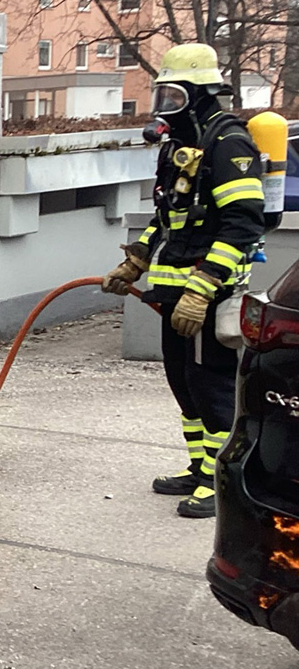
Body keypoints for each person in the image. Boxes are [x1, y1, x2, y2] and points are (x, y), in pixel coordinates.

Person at [101, 44, 265, 518]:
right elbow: (167, 216)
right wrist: (137, 259)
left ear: (201, 93)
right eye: (162, 95)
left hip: (207, 295)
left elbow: (243, 222)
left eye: (174, 95)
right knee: (182, 382)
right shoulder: (178, 146)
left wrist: (204, 285)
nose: (164, 106)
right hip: (174, 293)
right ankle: (199, 467)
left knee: (209, 384)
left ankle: (223, 481)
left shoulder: (229, 143)